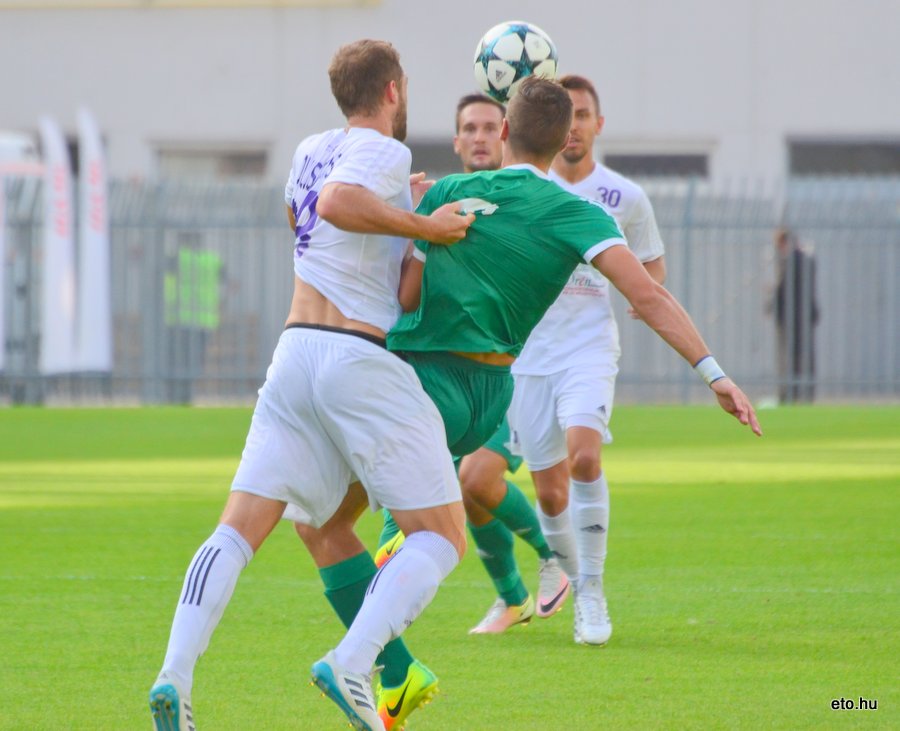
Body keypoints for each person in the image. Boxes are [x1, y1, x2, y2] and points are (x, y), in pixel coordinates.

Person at [299, 75, 761, 728]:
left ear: (505, 133)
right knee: (368, 522)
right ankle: (390, 666)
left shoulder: (449, 191)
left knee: (360, 524)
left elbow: (386, 263)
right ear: (561, 138)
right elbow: (650, 296)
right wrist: (715, 373)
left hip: (404, 376)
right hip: (481, 392)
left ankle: (365, 651)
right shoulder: (579, 215)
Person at [148, 39, 475, 731]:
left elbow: (312, 217)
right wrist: (427, 227)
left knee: (242, 529)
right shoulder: (386, 151)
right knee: (442, 533)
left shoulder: (307, 148)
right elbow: (337, 203)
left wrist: (402, 235)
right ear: (392, 90)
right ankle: (356, 661)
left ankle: (174, 675)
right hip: (356, 357)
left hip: (294, 353)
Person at [375, 93, 567, 639]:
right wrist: (415, 224)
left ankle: (555, 556)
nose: (481, 136)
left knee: (473, 477)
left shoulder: (536, 202)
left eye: (489, 126)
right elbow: (406, 295)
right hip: (447, 374)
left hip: (512, 375)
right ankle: (512, 597)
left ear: (506, 133)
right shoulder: (443, 203)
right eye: (469, 129)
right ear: (457, 142)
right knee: (468, 489)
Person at [506, 74, 667, 646]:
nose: (574, 125)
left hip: (588, 351)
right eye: (566, 115)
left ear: (599, 124)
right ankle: (573, 574)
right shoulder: (524, 190)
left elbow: (651, 271)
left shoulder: (625, 197)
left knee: (584, 455)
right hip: (529, 353)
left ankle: (592, 593)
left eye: (584, 114)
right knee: (548, 493)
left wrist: (642, 301)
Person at [773, 227, 819, 403]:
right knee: (806, 355)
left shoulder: (791, 259)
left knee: (790, 355)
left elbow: (783, 289)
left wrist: (773, 304)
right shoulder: (808, 258)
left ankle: (789, 393)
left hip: (791, 317)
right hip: (806, 316)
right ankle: (806, 392)